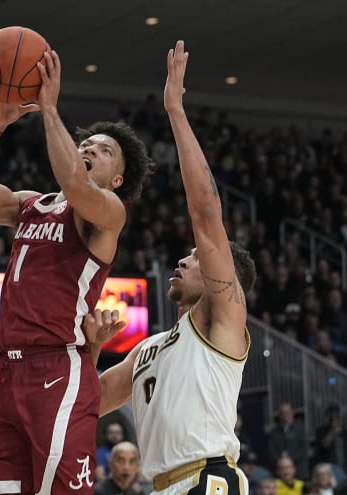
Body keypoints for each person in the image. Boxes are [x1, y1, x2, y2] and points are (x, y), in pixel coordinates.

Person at [0, 47, 153, 495]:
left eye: (104, 151)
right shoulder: (32, 205)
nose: (90, 149)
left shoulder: (108, 212)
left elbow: (75, 185)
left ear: (118, 179)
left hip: (57, 369)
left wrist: (49, 108)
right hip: (5, 373)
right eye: (87, 144)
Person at [95, 40, 257, 495]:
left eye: (195, 258)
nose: (183, 260)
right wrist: (90, 348)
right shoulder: (148, 348)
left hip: (209, 480)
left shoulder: (222, 320)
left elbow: (206, 214)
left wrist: (175, 111)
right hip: (163, 485)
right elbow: (90, 402)